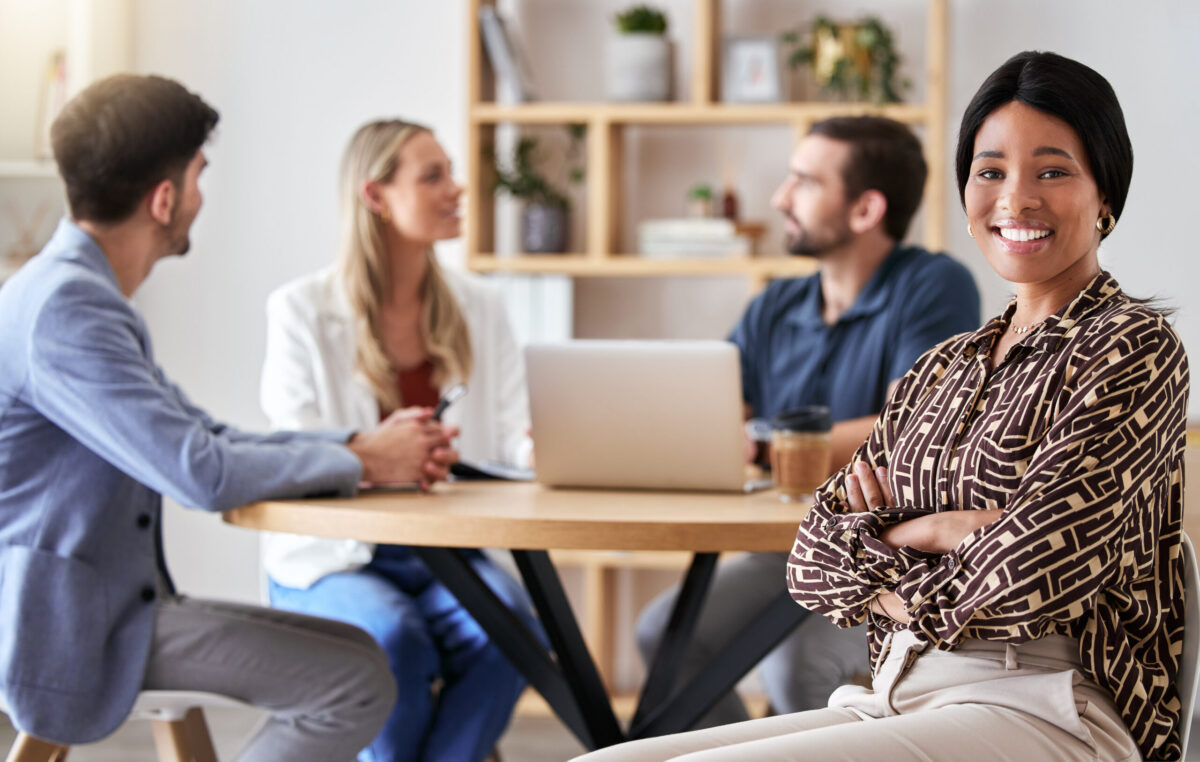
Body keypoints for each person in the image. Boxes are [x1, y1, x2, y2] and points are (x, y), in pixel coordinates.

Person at [575, 50, 1188, 762]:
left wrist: (887, 561)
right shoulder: (943, 367)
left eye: (1053, 170)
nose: (1015, 199)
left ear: (1105, 194)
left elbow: (1027, 578)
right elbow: (812, 555)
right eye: (990, 171)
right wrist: (935, 533)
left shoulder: (1132, 346)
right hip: (900, 689)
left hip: (1049, 706)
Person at [0, 75, 464, 760]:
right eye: (198, 177)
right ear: (165, 199)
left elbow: (205, 436)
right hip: (67, 624)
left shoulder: (75, 294)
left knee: (360, 653)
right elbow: (202, 473)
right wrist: (365, 461)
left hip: (111, 603)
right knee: (357, 679)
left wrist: (358, 444)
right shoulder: (70, 310)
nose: (201, 198)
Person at [634, 115, 980, 725]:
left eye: (803, 182)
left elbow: (913, 432)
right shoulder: (775, 305)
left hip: (881, 559)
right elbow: (712, 414)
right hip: (784, 550)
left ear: (866, 209)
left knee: (800, 670)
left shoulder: (934, 285)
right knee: (667, 637)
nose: (779, 198)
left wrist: (766, 444)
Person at [259, 118, 539, 762]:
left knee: (515, 633)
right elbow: (298, 448)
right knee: (393, 639)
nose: (457, 189)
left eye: (451, 172)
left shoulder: (481, 306)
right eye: (432, 175)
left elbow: (514, 432)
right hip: (333, 556)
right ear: (375, 197)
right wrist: (377, 454)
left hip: (447, 549)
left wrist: (544, 451)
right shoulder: (299, 310)